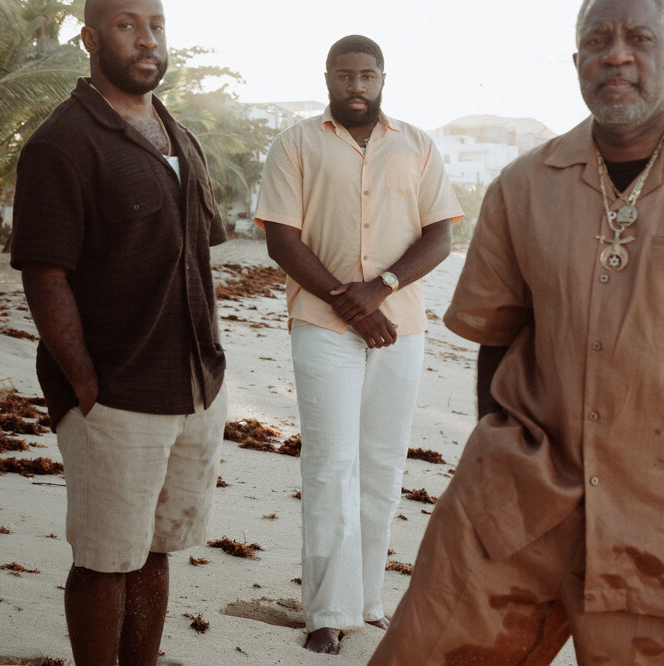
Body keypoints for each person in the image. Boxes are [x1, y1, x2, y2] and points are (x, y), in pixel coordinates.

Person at [371, 0, 664, 663]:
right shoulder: (523, 187)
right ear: (578, 64)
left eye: (639, 39)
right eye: (597, 40)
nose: (617, 54)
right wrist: (498, 461)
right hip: (513, 515)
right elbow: (497, 338)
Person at [10, 0, 229, 662]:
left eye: (156, 26)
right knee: (105, 560)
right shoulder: (62, 142)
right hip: (115, 393)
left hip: (194, 386)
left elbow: (198, 253)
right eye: (128, 25)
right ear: (90, 38)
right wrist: (84, 383)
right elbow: (46, 276)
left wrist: (210, 378)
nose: (147, 40)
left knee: (155, 550)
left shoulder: (179, 136)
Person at [254, 35, 463, 655]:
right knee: (329, 465)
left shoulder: (418, 145)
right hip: (322, 326)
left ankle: (367, 601)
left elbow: (439, 236)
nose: (356, 86)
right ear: (328, 78)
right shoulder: (295, 142)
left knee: (382, 465)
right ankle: (326, 610)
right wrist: (350, 301)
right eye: (344, 75)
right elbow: (282, 240)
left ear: (382, 78)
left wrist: (382, 290)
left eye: (366, 75)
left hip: (401, 328)